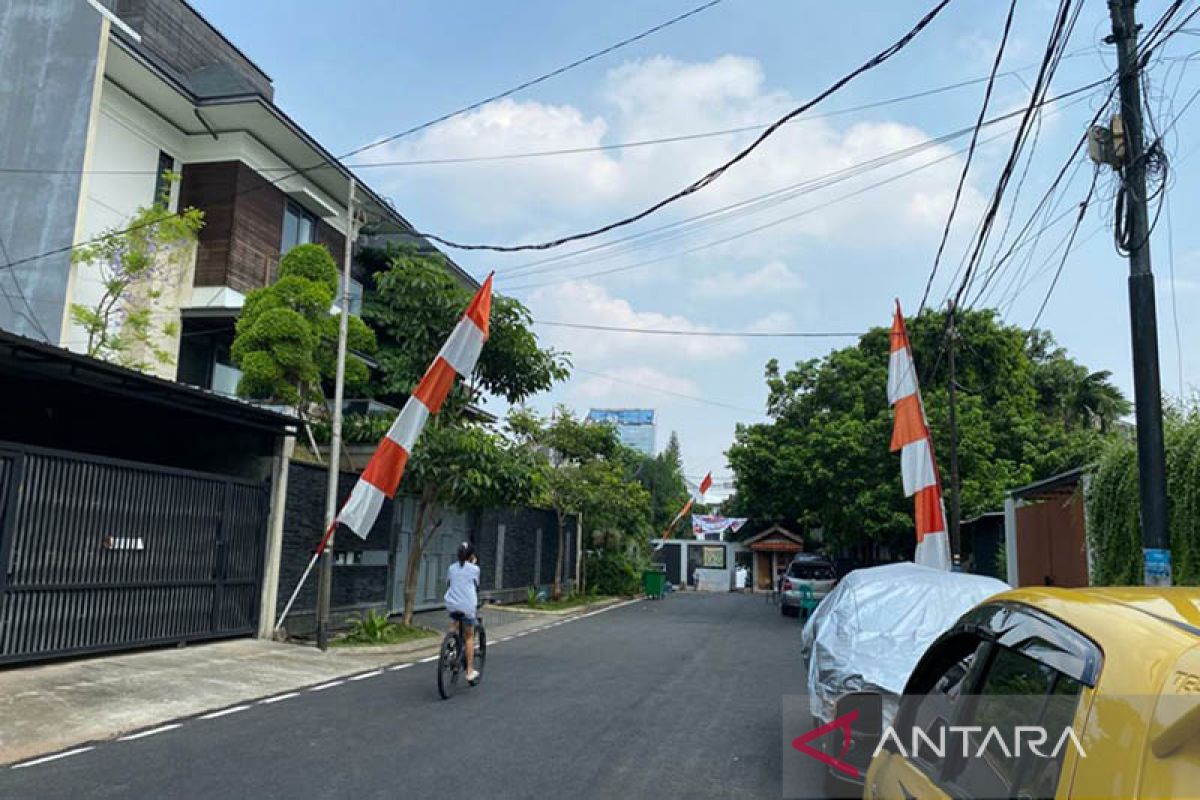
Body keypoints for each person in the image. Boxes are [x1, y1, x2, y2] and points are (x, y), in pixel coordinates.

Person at [444, 541, 481, 683]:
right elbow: (476, 584)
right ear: (471, 555)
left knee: (455, 622)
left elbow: (449, 582)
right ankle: (469, 671)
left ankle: (450, 646)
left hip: (452, 604)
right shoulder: (474, 569)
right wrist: (473, 563)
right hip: (467, 606)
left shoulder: (451, 568)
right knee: (469, 635)